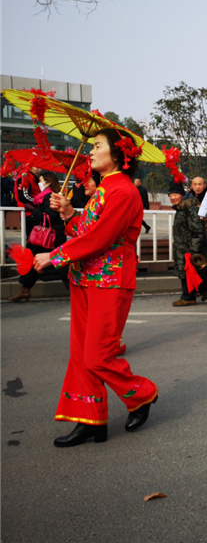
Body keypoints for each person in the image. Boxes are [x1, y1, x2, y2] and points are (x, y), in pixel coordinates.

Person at [32, 127, 158, 447]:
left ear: (117, 154)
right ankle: (90, 420)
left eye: (97, 146)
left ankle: (142, 394)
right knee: (80, 355)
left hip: (110, 281)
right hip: (85, 279)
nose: (90, 152)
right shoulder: (103, 190)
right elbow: (84, 231)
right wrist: (69, 212)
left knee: (98, 356)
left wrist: (55, 256)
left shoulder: (124, 192)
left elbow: (99, 239)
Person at [9, 172, 68, 302]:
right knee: (36, 263)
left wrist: (33, 209)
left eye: (41, 181)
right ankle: (25, 290)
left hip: (50, 238)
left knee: (59, 265)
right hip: (46, 237)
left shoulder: (49, 197)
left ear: (47, 183)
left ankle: (73, 289)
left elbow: (49, 217)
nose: (39, 184)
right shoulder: (44, 197)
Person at [169, 181, 207, 307]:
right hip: (183, 246)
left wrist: (194, 251)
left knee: (188, 271)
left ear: (182, 195)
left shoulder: (189, 208)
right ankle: (206, 287)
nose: (173, 197)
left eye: (175, 194)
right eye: (170, 195)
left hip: (188, 247)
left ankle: (188, 296)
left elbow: (197, 230)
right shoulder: (182, 207)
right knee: (189, 272)